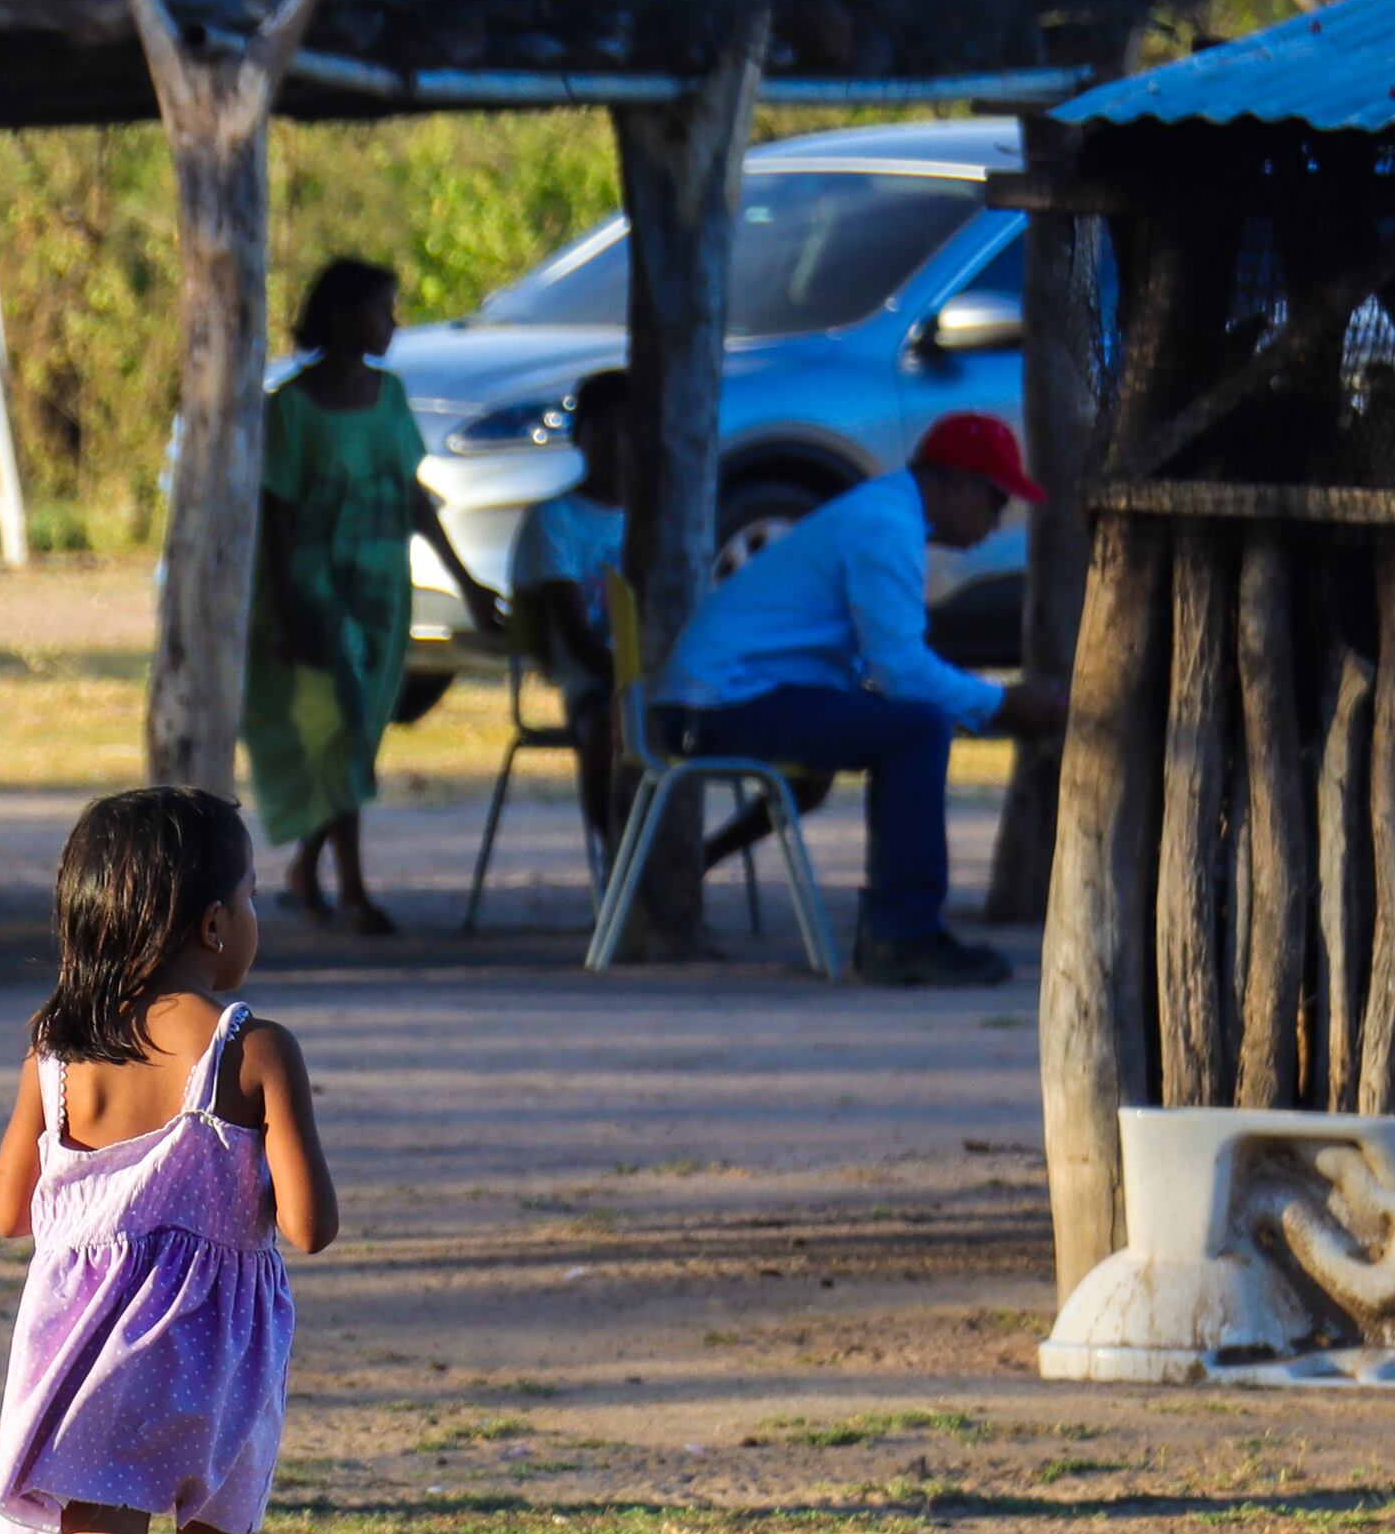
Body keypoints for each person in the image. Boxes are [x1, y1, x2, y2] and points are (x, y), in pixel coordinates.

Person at [0, 785, 336, 1534]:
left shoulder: (56, 1052)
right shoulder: (252, 1049)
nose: (252, 918)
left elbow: (7, 1212)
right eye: (246, 896)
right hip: (217, 1374)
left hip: (87, 1369)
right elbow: (308, 1228)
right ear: (206, 924)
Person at [644, 410, 1064, 988]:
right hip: (714, 706)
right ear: (956, 483)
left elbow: (886, 669)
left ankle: (900, 925)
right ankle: (903, 934)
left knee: (909, 725)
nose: (997, 522)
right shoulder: (886, 527)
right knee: (917, 729)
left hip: (715, 699)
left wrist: (991, 704)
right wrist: (1001, 703)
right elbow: (902, 673)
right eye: (994, 501)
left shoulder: (881, 513)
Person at [242, 257, 489, 934]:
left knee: (355, 739)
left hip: (385, 588)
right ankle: (351, 889)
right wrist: (287, 611)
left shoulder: (391, 395)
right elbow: (280, 515)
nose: (393, 323)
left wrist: (467, 582)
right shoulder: (290, 408)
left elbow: (413, 497)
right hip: (321, 585)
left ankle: (305, 866)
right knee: (343, 725)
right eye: (384, 310)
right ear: (344, 316)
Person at [505, 365, 639, 865]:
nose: (619, 447)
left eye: (631, 432)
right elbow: (573, 632)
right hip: (592, 679)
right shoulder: (555, 519)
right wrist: (631, 681)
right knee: (604, 726)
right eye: (605, 432)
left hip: (651, 673)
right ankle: (615, 853)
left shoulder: (661, 514)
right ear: (580, 437)